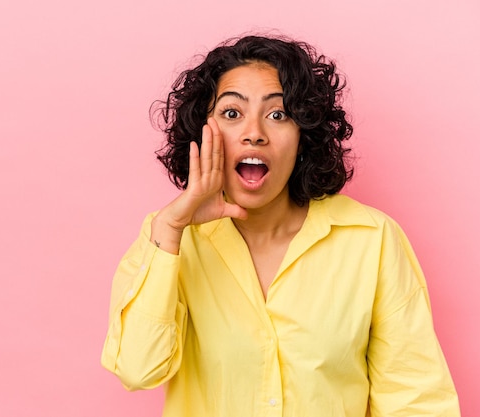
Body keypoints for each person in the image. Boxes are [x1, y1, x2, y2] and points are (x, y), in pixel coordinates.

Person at [101, 34, 460, 416]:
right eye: (232, 113)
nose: (254, 132)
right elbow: (138, 370)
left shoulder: (371, 240)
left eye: (278, 114)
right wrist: (171, 230)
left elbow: (416, 401)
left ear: (304, 135)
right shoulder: (168, 239)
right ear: (203, 133)